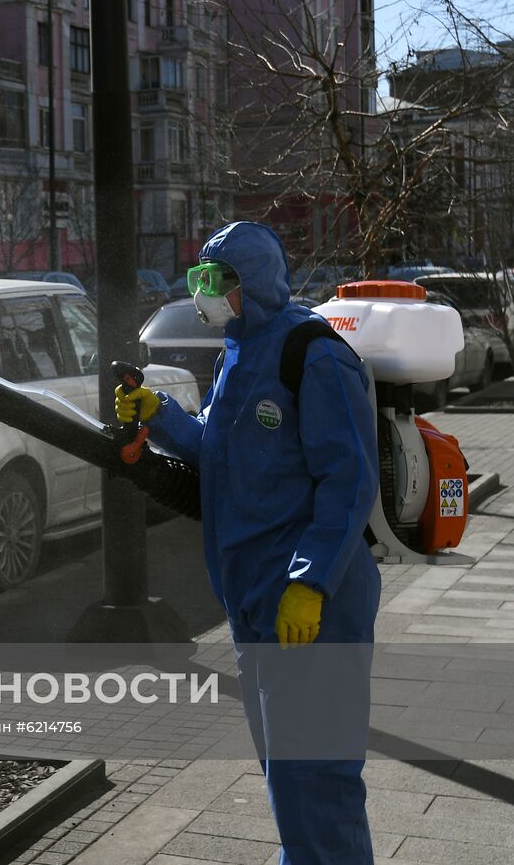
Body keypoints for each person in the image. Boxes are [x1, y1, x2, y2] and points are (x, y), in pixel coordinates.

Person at [117, 221, 380, 865]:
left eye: (219, 283)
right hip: (257, 607)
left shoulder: (313, 353)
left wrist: (310, 581)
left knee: (317, 785)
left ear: (254, 284)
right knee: (288, 782)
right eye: (200, 280)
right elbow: (219, 446)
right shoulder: (237, 351)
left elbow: (347, 480)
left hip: (310, 610)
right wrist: (160, 415)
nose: (205, 295)